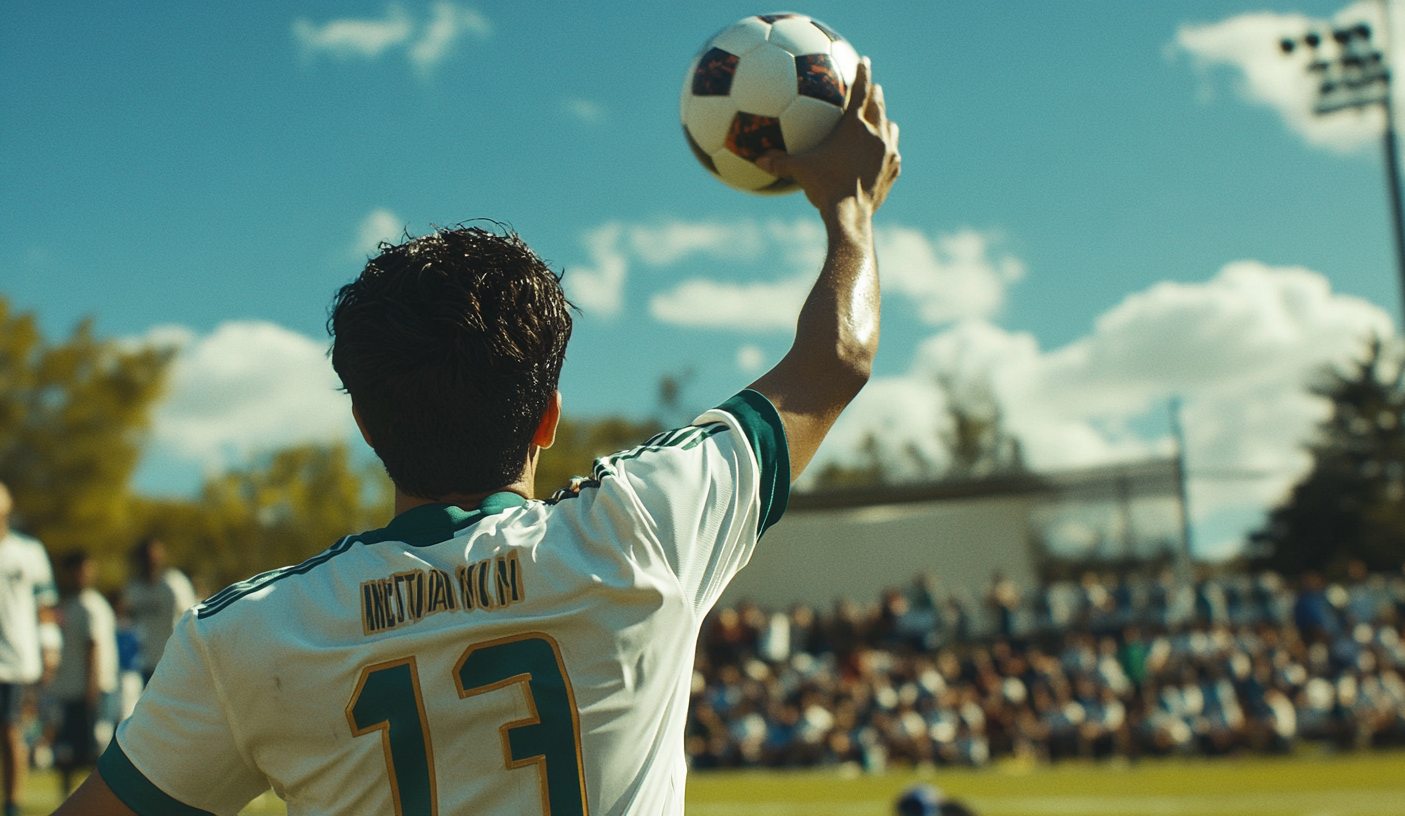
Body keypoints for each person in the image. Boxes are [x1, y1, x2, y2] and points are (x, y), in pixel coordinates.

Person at [56, 58, 899, 815]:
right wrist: (850, 210)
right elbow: (836, 358)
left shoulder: (247, 637)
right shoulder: (644, 530)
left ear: (367, 425)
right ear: (547, 416)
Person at [0, 483, 60, 816]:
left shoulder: (28, 552)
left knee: (10, 730)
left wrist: (49, 647)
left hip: (15, 659)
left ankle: (12, 805)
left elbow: (44, 605)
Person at [51, 550, 119, 796]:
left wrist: (92, 686)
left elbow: (94, 647)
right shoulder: (71, 604)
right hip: (71, 688)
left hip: (90, 690)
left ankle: (101, 800)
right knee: (67, 752)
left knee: (94, 751)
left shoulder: (92, 605)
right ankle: (68, 801)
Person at [121, 539, 196, 685]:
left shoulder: (175, 583)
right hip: (147, 663)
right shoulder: (134, 588)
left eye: (155, 556)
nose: (151, 561)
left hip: (176, 660)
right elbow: (129, 620)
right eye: (147, 557)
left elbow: (192, 617)